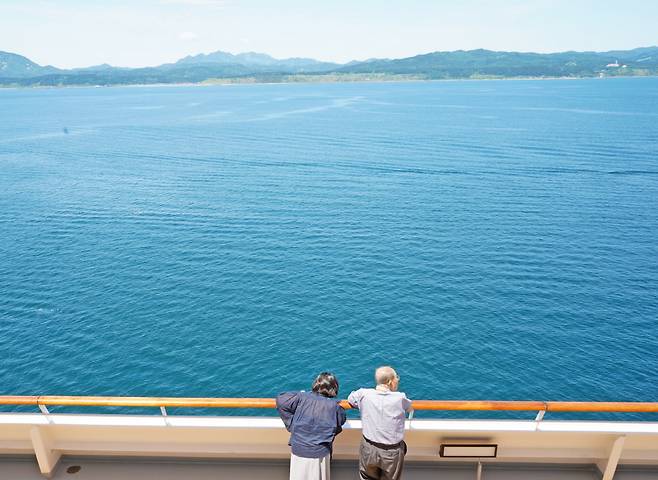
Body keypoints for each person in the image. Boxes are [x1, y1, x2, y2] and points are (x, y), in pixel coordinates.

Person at [276, 372, 347, 480]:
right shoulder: (335, 407)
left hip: (298, 449)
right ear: (334, 388)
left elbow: (281, 399)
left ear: (316, 385)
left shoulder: (302, 397)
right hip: (320, 452)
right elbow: (340, 421)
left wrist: (291, 423)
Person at [348, 366, 412, 480]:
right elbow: (409, 407)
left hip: (368, 447)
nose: (397, 380)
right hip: (391, 452)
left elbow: (351, 399)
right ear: (390, 382)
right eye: (396, 378)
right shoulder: (400, 397)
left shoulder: (363, 394)